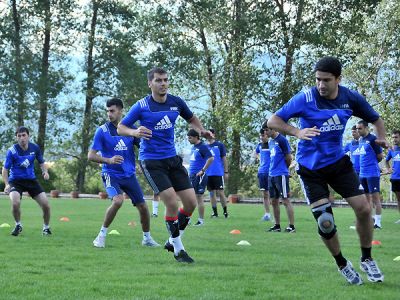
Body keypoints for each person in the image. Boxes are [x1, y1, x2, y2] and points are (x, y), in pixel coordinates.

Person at [267, 56, 386, 285]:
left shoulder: (350, 97)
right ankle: (342, 263)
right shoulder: (305, 98)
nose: (321, 85)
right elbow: (273, 120)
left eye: (326, 80)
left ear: (338, 79)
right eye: (318, 79)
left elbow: (376, 119)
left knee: (364, 210)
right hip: (310, 169)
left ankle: (367, 258)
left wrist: (381, 137)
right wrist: (296, 131)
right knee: (325, 222)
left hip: (338, 163)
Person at [117, 67, 213, 263]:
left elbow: (191, 117)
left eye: (166, 80)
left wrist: (201, 130)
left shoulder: (176, 102)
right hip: (151, 161)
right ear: (150, 83)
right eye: (159, 80)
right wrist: (134, 133)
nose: (163, 84)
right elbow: (121, 127)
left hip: (172, 159)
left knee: (191, 203)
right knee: (171, 202)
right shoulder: (142, 106)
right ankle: (179, 250)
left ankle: (172, 239)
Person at [88, 98, 159, 248]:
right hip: (111, 174)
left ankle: (147, 238)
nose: (109, 114)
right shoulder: (102, 131)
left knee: (143, 207)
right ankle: (101, 236)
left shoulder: (131, 130)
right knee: (118, 200)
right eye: (107, 111)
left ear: (121, 111)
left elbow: (144, 148)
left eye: (112, 111)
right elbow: (91, 156)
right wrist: (109, 160)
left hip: (129, 176)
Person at [2, 126, 52, 236]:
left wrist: (45, 172)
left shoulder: (35, 148)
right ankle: (18, 225)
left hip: (31, 181)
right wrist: (6, 184)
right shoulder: (12, 151)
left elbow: (41, 162)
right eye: (19, 136)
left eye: (24, 135)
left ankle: (46, 228)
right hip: (15, 181)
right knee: (15, 203)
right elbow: (5, 169)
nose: (21, 138)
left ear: (28, 136)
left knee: (46, 205)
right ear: (16, 138)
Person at [264, 126, 296, 233]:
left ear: (273, 129)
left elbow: (288, 158)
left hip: (280, 174)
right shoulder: (270, 142)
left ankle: (291, 226)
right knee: (274, 201)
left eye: (267, 130)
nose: (265, 132)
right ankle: (277, 225)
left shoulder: (282, 140)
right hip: (271, 174)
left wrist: (285, 170)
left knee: (285, 200)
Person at [356, 120, 383, 229]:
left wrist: (372, 164)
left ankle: (378, 223)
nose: (358, 130)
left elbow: (380, 156)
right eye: (357, 128)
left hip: (372, 173)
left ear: (366, 128)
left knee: (375, 198)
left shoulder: (373, 140)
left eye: (360, 128)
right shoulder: (360, 140)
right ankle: (369, 222)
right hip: (362, 174)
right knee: (366, 200)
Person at [187, 129, 214, 226]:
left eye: (190, 138)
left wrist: (202, 170)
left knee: (199, 197)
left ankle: (201, 221)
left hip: (199, 176)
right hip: (191, 175)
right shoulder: (194, 147)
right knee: (190, 198)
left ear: (195, 137)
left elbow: (211, 158)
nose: (188, 140)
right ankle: (187, 219)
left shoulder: (202, 147)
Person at [206, 129, 229, 218]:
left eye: (210, 133)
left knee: (221, 193)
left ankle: (225, 212)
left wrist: (226, 171)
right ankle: (215, 213)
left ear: (214, 134)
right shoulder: (204, 146)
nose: (208, 135)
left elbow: (224, 159)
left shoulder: (219, 145)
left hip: (218, 173)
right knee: (211, 194)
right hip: (208, 174)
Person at [255, 127, 271, 221]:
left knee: (272, 195)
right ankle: (267, 214)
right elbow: (256, 153)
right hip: (261, 172)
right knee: (264, 194)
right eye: (260, 135)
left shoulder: (271, 144)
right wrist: (259, 158)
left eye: (263, 135)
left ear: (267, 135)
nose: (261, 137)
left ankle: (275, 214)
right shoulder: (260, 145)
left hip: (270, 172)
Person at [385, 130, 400, 224]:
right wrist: (389, 169)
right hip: (395, 178)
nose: (394, 139)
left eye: (396, 137)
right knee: (399, 199)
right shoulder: (392, 150)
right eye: (393, 137)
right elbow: (386, 161)